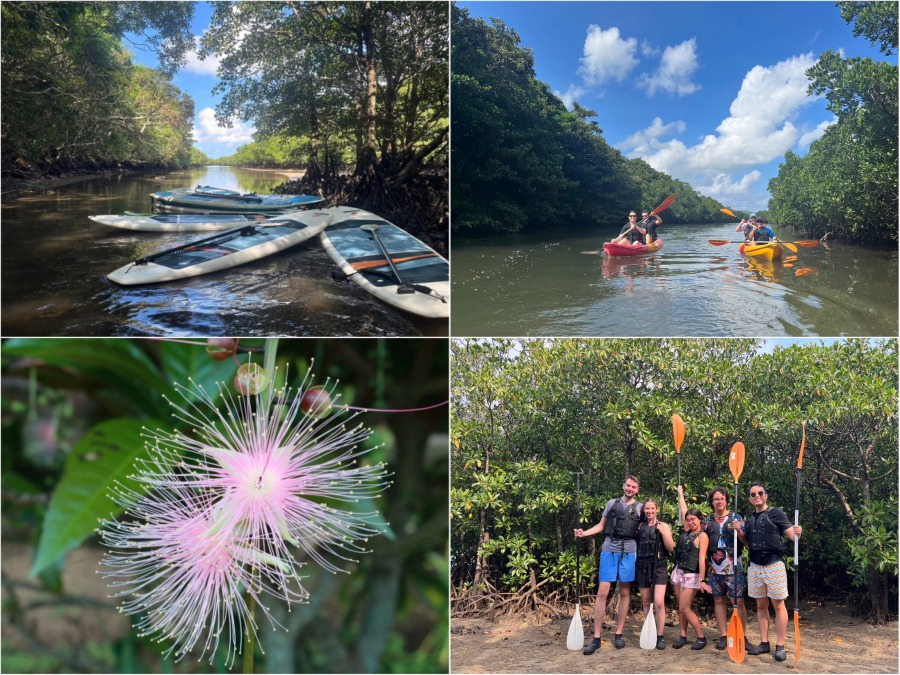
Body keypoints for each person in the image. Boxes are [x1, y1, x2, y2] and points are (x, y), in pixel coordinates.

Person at [733, 482, 802, 663]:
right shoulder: (749, 518)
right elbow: (748, 543)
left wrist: (798, 533)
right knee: (761, 606)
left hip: (773, 564)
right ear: (749, 498)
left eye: (760, 493)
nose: (756, 496)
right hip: (755, 565)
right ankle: (764, 643)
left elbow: (792, 536)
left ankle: (780, 645)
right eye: (753, 494)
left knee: (778, 605)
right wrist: (740, 531)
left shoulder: (776, 513)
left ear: (766, 495)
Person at [574, 475, 643, 654]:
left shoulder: (641, 508)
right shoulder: (612, 503)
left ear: (637, 490)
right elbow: (601, 526)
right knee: (603, 590)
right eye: (628, 485)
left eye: (633, 487)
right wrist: (584, 533)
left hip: (629, 551)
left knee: (625, 590)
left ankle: (619, 633)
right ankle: (596, 637)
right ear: (623, 486)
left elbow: (645, 529)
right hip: (609, 549)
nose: (630, 489)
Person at [702, 487, 752, 651]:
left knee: (738, 602)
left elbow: (745, 542)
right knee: (718, 600)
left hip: (733, 566)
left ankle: (741, 635)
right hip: (714, 568)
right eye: (716, 499)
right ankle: (724, 635)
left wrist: (738, 529)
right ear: (712, 502)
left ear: (726, 500)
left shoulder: (736, 517)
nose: (719, 501)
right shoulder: (707, 521)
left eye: (722, 498)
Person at [672, 486, 710, 650]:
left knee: (685, 608)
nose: (690, 521)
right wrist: (680, 494)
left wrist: (702, 580)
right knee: (681, 607)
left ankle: (701, 637)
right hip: (679, 572)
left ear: (700, 519)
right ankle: (683, 636)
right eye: (688, 519)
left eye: (694, 519)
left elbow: (702, 559)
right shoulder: (687, 531)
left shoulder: (702, 536)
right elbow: (684, 510)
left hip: (692, 575)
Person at [635, 498, 675, 650]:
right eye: (647, 509)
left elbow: (671, 548)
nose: (650, 511)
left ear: (656, 509)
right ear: (644, 510)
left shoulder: (663, 525)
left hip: (658, 566)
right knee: (646, 601)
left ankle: (660, 635)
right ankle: (649, 629)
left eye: (652, 509)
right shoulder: (639, 526)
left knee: (658, 602)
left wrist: (664, 533)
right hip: (642, 565)